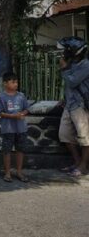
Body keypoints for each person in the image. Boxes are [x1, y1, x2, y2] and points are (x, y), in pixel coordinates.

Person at [57, 37, 89, 177]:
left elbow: (72, 82)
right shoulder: (72, 63)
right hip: (70, 105)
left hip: (80, 106)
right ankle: (77, 162)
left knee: (84, 137)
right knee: (64, 135)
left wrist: (64, 69)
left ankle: (83, 167)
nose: (63, 53)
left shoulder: (85, 65)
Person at [0, 72, 29, 182]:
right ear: (5, 83)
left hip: (21, 128)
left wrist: (22, 114)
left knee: (20, 150)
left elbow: (26, 109)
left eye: (16, 82)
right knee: (7, 151)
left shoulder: (21, 96)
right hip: (8, 128)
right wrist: (12, 116)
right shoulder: (1, 97)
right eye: (12, 82)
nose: (15, 84)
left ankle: (19, 172)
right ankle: (7, 173)